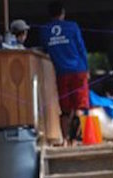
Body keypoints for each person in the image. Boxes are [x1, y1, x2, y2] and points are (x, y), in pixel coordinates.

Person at [40, 1, 89, 145]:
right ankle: (75, 140)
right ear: (63, 13)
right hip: (78, 71)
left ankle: (65, 140)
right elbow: (81, 49)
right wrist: (86, 69)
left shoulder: (44, 30)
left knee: (65, 109)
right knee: (80, 107)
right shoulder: (72, 27)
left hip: (61, 73)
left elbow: (45, 50)